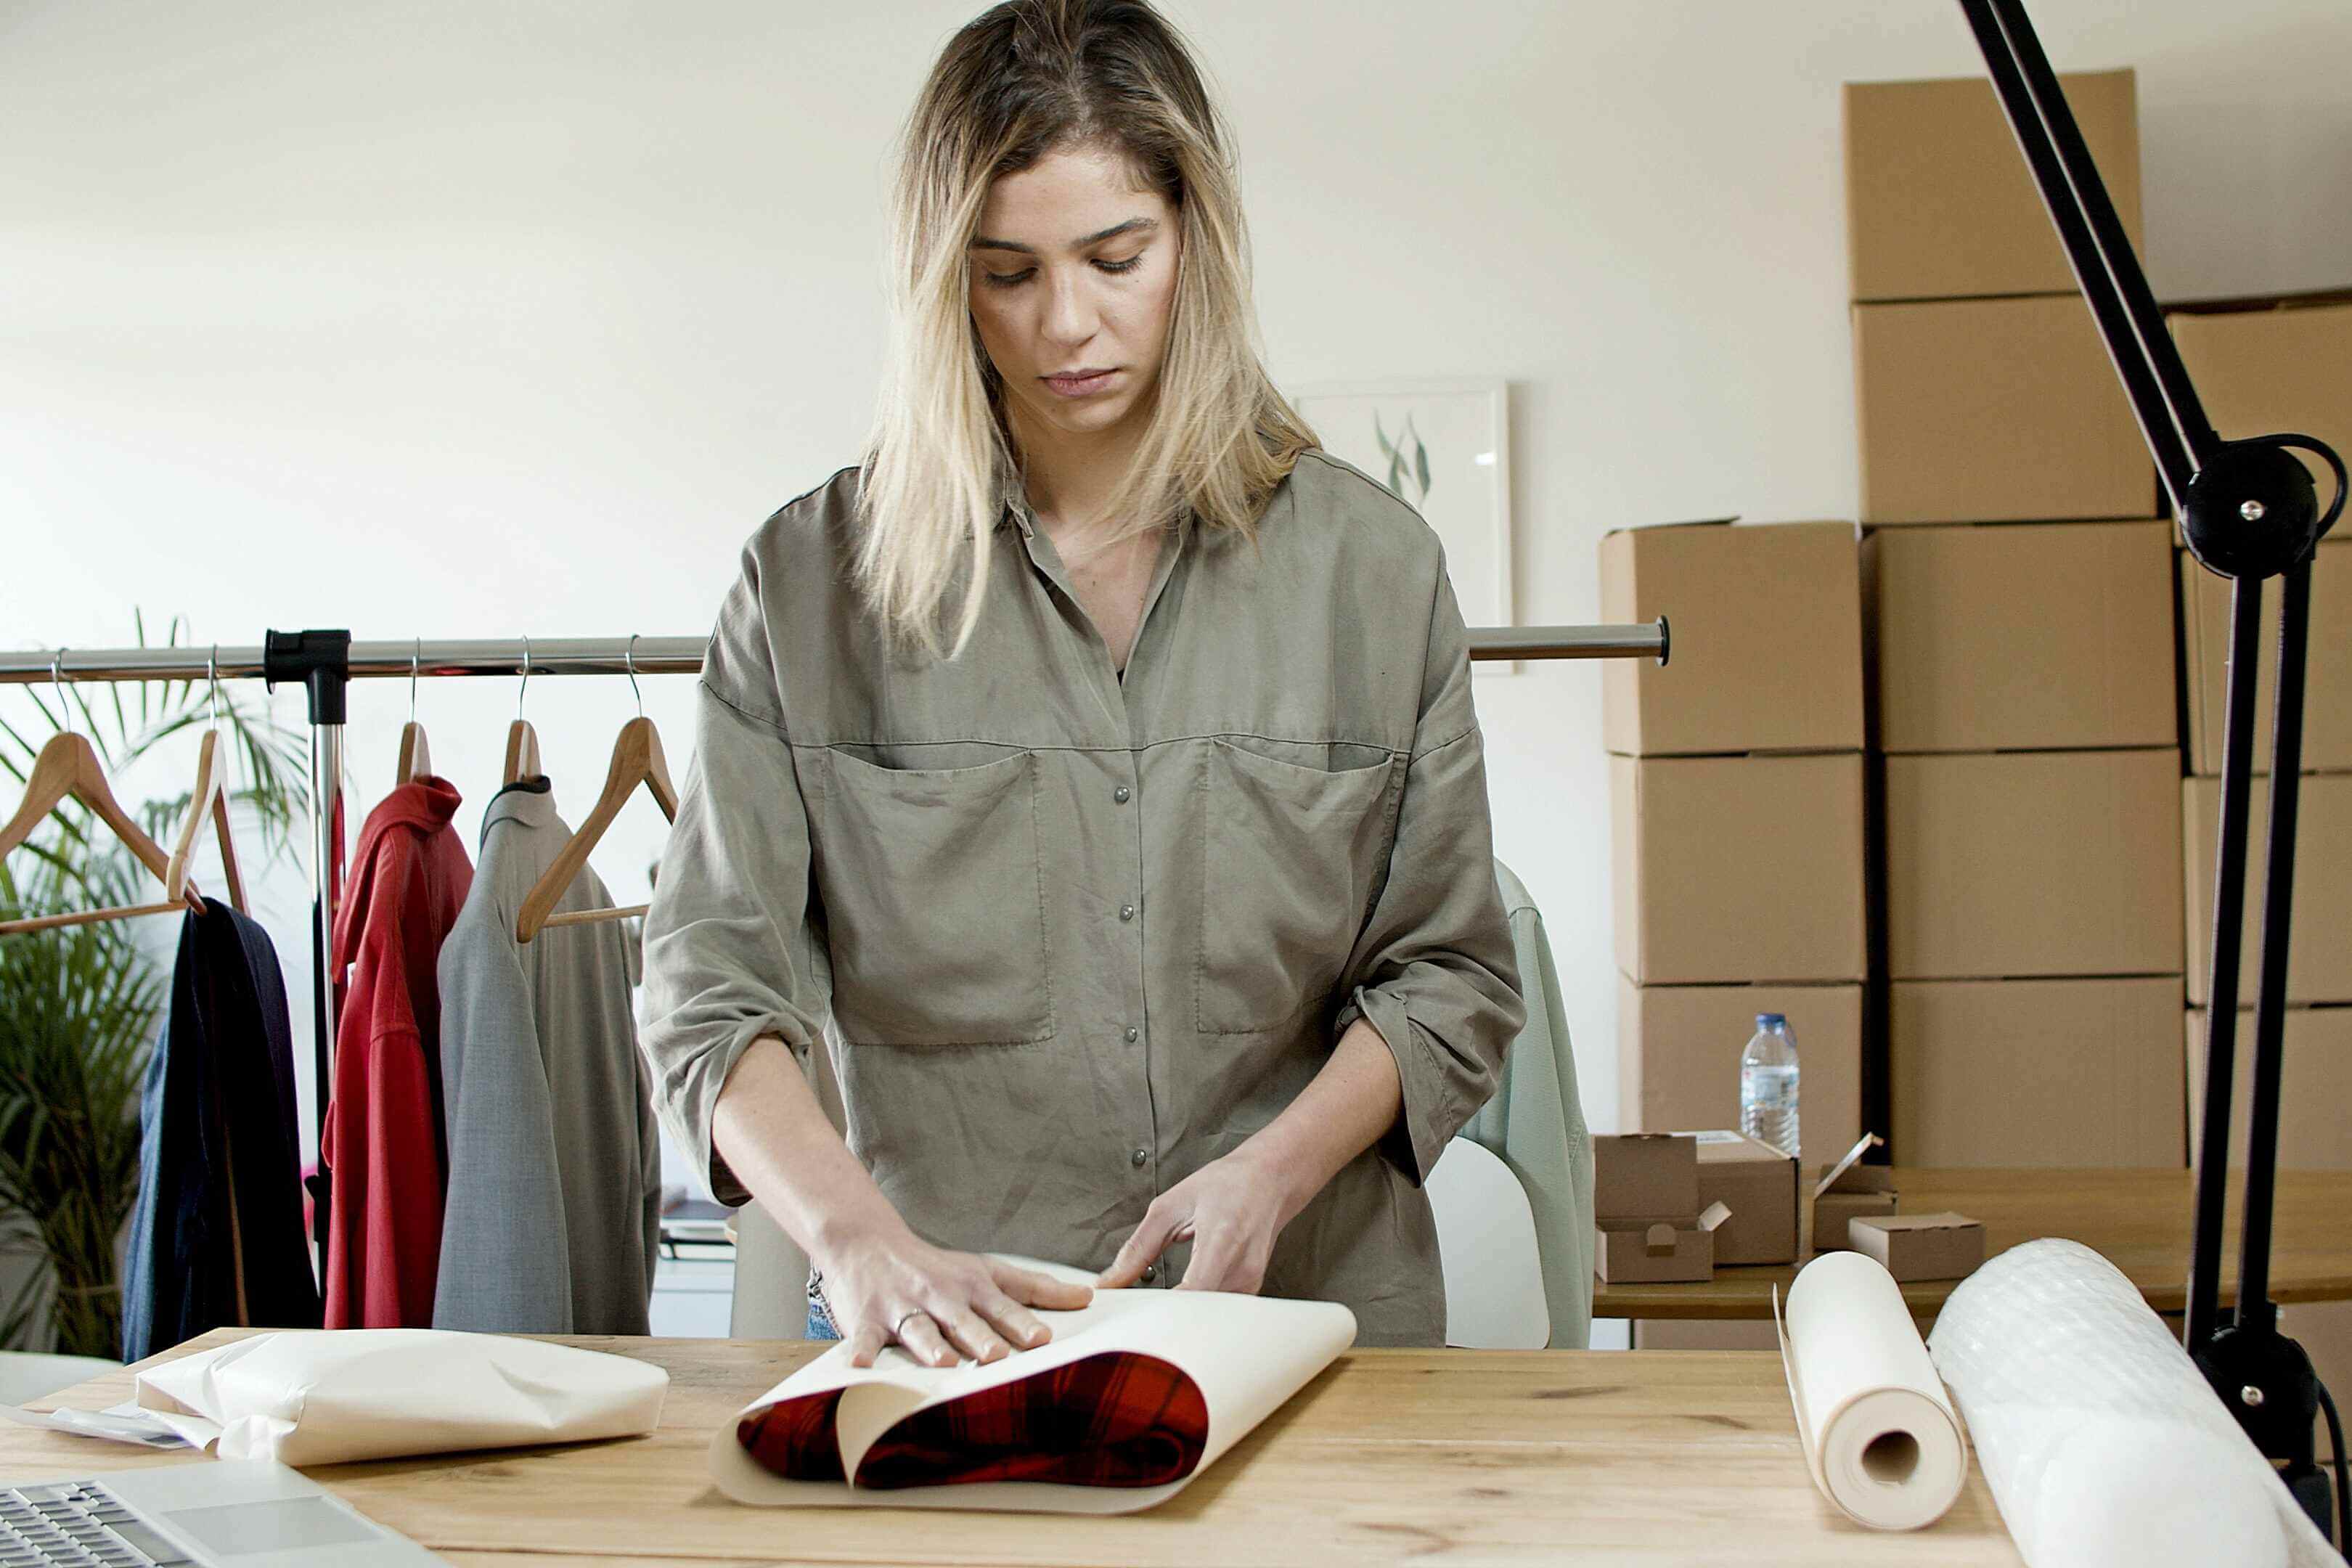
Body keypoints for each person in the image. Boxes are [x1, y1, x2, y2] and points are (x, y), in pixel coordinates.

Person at [638, 0, 1524, 1365]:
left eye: (1117, 260)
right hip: (965, 1356)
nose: (1067, 325)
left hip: (1315, 1341)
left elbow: (1451, 975)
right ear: (943, 283)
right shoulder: (810, 591)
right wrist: (854, 1237)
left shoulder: (1376, 572)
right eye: (1007, 274)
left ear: (1195, 242)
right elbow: (708, 992)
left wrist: (1275, 1172)